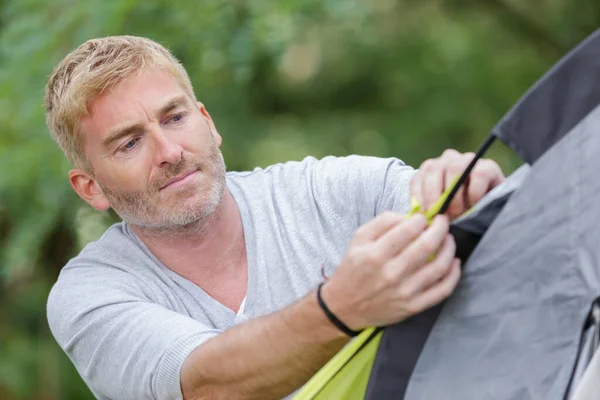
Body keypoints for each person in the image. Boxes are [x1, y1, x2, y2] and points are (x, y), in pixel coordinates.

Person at [44, 36, 504, 400]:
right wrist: (342, 306)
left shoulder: (327, 191)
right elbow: (210, 385)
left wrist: (471, 195)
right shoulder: (90, 294)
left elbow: (471, 223)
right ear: (90, 188)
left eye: (175, 117)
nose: (169, 152)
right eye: (129, 143)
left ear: (208, 122)